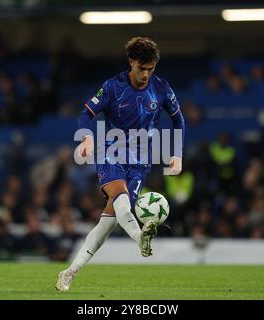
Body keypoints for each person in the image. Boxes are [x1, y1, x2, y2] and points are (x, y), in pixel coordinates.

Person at [55, 37, 185, 291]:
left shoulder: (161, 87)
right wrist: (86, 137)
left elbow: (179, 120)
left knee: (108, 223)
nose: (146, 74)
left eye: (151, 68)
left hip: (141, 161)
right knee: (120, 196)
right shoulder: (113, 87)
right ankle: (140, 238)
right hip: (111, 151)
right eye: (142, 68)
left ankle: (69, 272)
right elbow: (86, 114)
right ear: (131, 62)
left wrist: (177, 154)